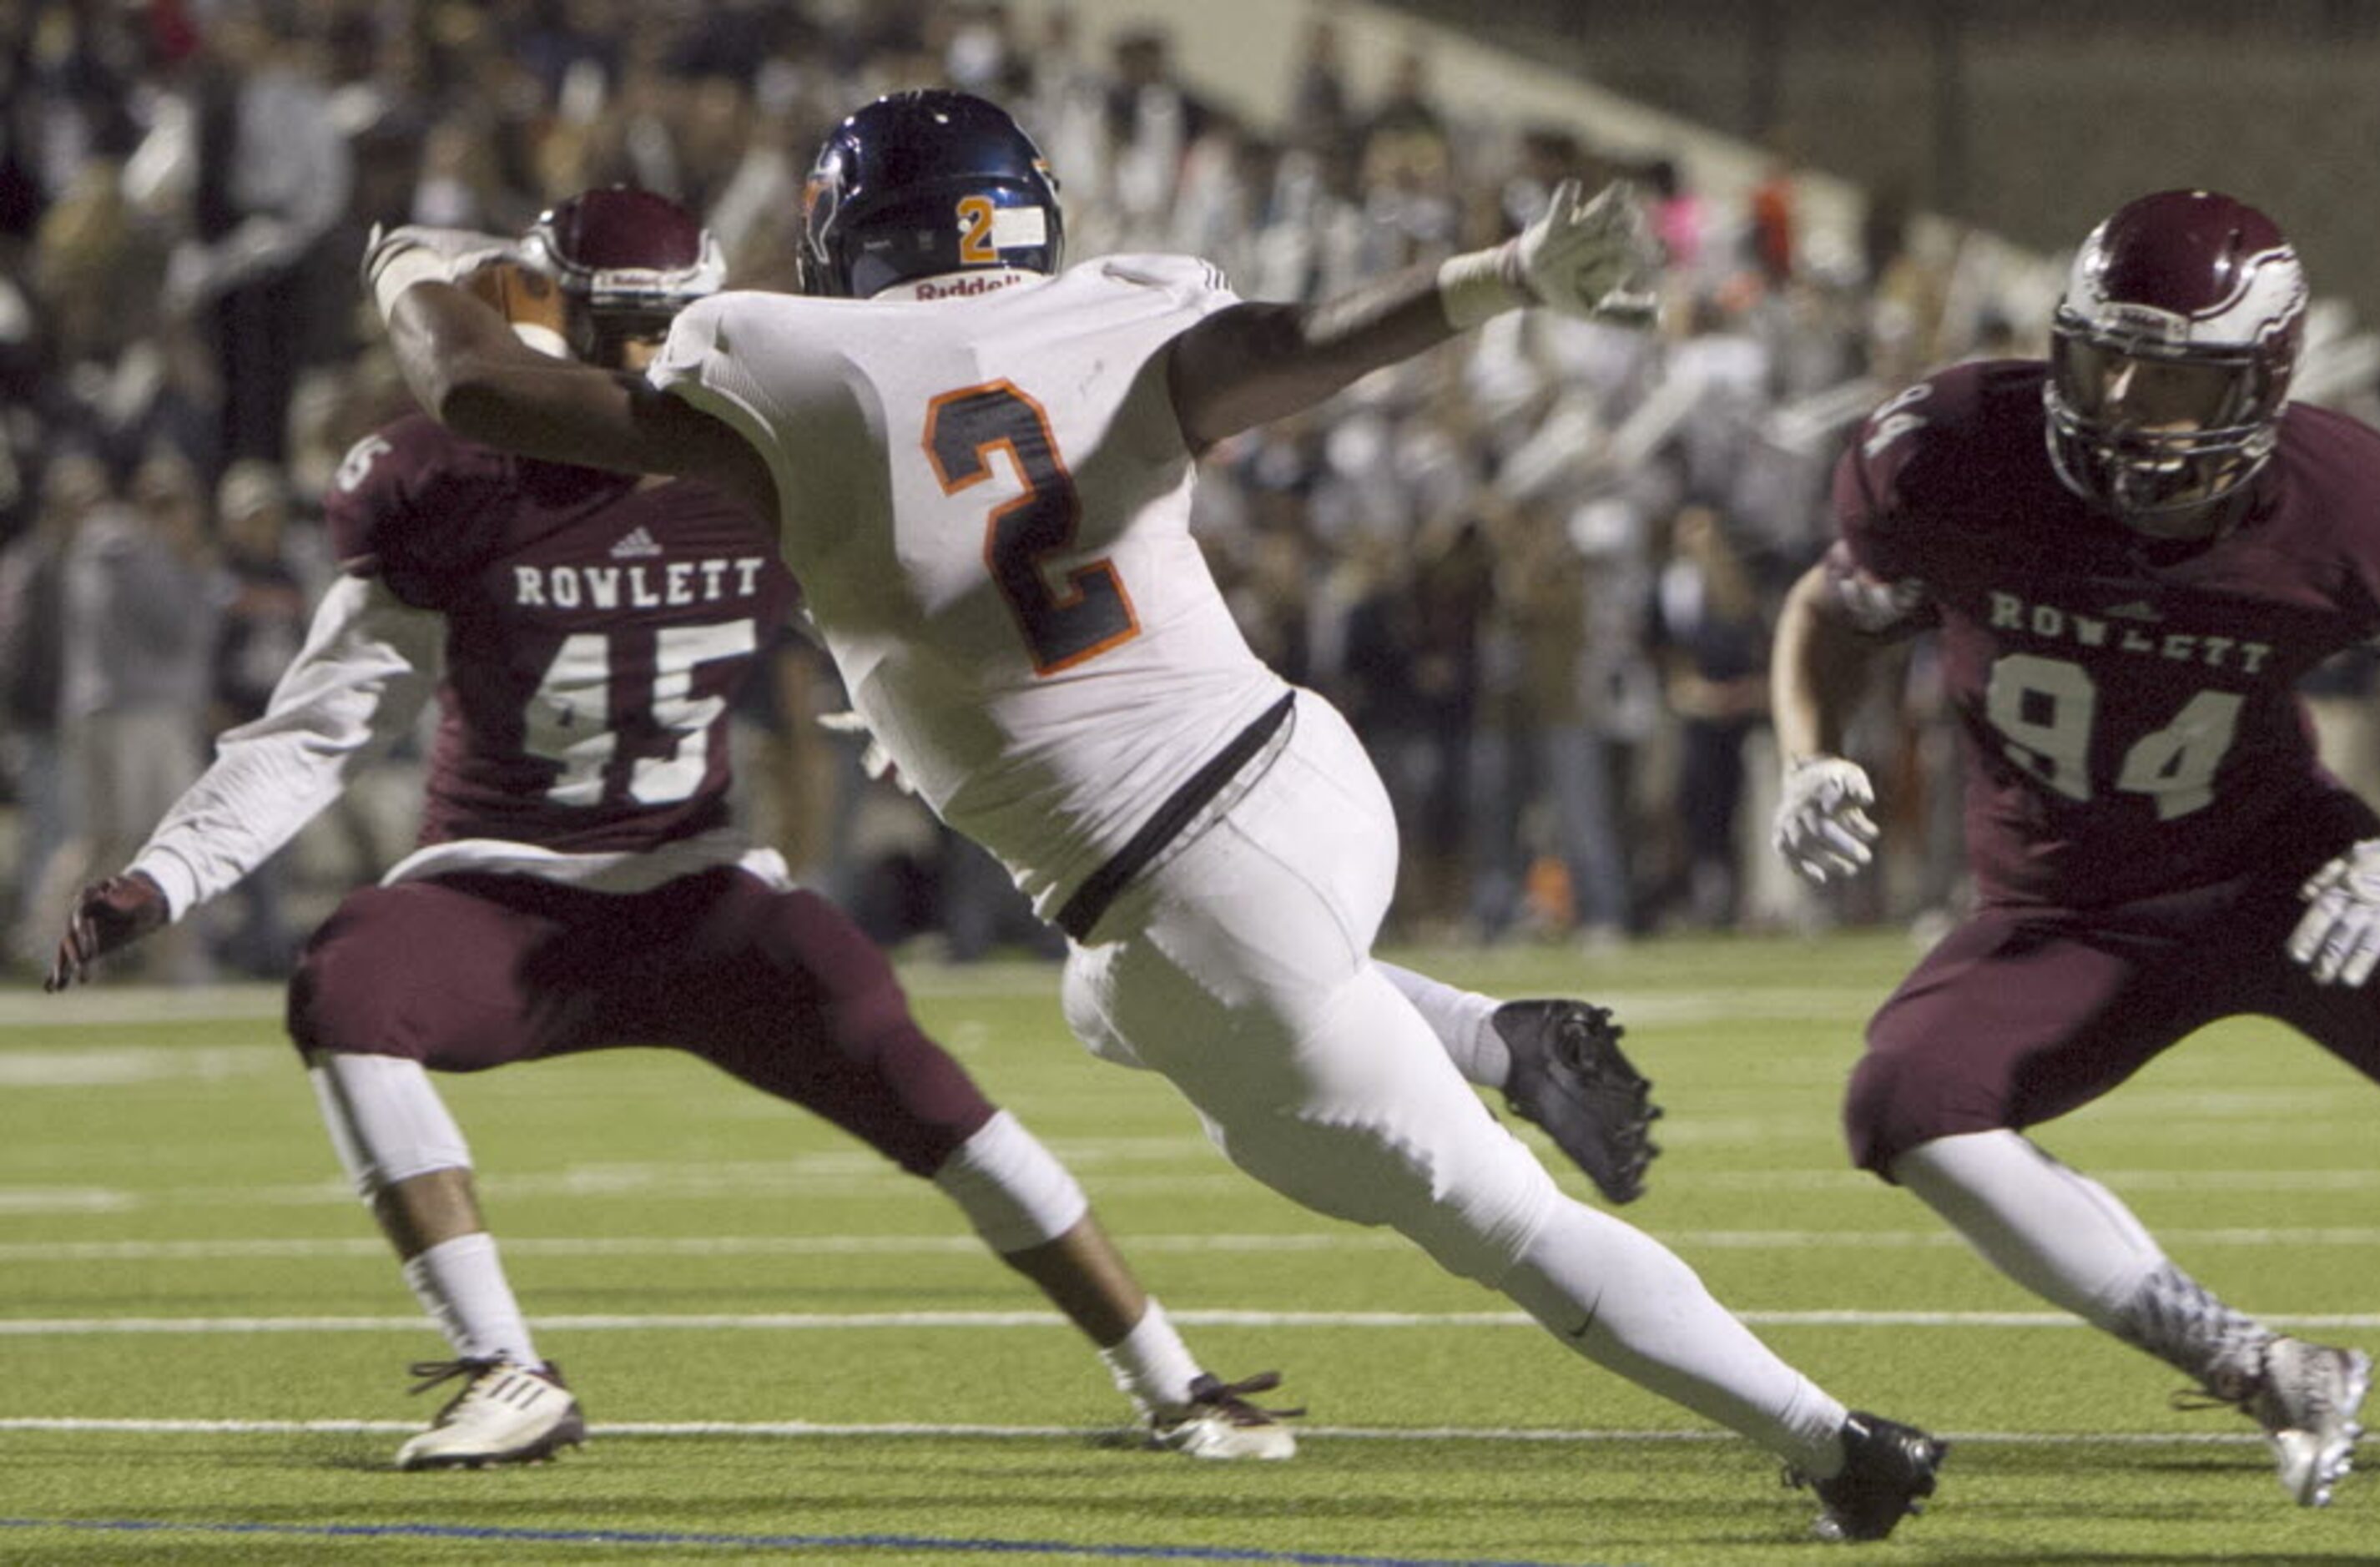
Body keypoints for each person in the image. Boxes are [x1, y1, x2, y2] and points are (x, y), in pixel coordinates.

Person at [352, 90, 1937, 1543]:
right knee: (1099, 1004)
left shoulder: (783, 360)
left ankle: (1834, 1442)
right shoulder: (1115, 306)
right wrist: (1496, 274)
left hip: (1181, 885)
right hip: (1301, 771)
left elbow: (482, 389)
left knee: (1485, 1216)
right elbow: (1296, 343)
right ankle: (1488, 1035)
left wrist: (414, 258)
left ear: (854, 234)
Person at [47, 186, 1321, 1473]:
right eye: (612, 325)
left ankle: (1176, 1378)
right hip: (501, 888)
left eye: (666, 328)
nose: (642, 364)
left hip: (701, 887)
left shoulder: (782, 459)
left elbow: (922, 626)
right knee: (350, 978)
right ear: (547, 313)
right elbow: (321, 726)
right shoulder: (453, 482)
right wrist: (169, 874)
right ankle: (506, 1368)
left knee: (927, 1086)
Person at [1767, 187, 2380, 1510]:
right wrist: (1807, 749)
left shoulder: (2346, 497)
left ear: (2261, 376)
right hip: (2061, 910)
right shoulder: (1950, 444)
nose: (2120, 398)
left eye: (2170, 373)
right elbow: (1832, 604)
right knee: (1901, 1103)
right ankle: (2260, 1367)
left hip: (2292, 885)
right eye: (2097, 353)